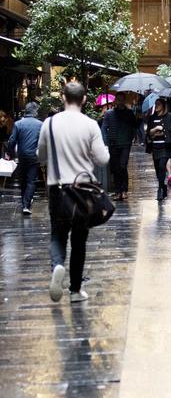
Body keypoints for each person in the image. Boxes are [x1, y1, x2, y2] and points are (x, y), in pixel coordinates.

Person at [37, 82, 110, 303]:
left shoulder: (49, 124)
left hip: (58, 188)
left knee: (58, 234)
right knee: (80, 239)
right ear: (84, 100)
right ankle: (75, 290)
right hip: (82, 190)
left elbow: (40, 155)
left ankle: (58, 265)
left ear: (63, 98)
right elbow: (103, 159)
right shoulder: (90, 125)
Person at [5, 102, 43, 214]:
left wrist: (8, 152)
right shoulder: (40, 124)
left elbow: (12, 140)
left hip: (22, 156)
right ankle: (26, 205)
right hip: (34, 156)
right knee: (32, 180)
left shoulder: (18, 124)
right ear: (35, 111)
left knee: (23, 180)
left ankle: (24, 203)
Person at [101, 92, 137, 201]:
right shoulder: (109, 114)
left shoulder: (129, 113)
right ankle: (118, 191)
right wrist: (106, 142)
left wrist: (131, 138)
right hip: (113, 144)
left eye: (122, 99)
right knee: (116, 168)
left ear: (124, 100)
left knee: (122, 165)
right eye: (118, 99)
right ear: (116, 101)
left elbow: (134, 126)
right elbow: (104, 128)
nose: (120, 101)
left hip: (125, 143)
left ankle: (124, 190)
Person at [147, 98, 171, 201]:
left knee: (161, 166)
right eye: (156, 104)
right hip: (155, 147)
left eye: (159, 104)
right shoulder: (152, 118)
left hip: (165, 147)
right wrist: (155, 131)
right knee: (157, 169)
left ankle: (159, 189)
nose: (157, 106)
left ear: (163, 106)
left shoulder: (170, 116)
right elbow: (149, 133)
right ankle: (162, 186)